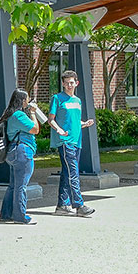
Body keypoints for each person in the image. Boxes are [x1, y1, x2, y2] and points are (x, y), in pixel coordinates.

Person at [48, 70, 96, 217]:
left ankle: (62, 205)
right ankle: (79, 205)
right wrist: (60, 130)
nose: (69, 85)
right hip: (65, 141)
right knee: (73, 173)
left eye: (72, 82)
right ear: (62, 83)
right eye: (66, 83)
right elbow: (51, 120)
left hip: (77, 141)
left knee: (66, 172)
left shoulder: (77, 101)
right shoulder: (57, 98)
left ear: (77, 83)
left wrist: (84, 124)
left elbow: (74, 122)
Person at [0, 89, 43, 224]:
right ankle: (20, 216)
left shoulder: (9, 114)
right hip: (22, 152)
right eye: (27, 99)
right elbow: (35, 129)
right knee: (21, 186)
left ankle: (6, 214)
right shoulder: (19, 115)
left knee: (14, 185)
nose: (28, 101)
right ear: (22, 101)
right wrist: (33, 113)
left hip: (13, 152)